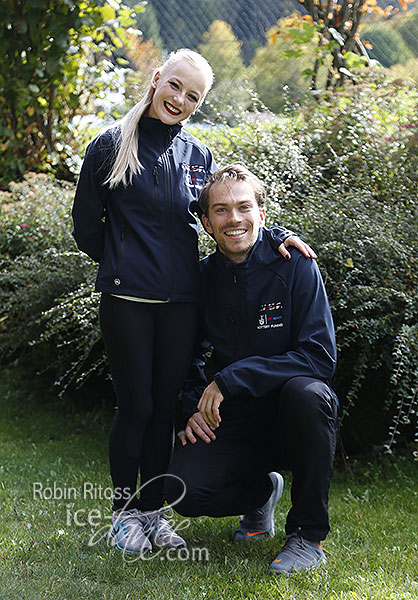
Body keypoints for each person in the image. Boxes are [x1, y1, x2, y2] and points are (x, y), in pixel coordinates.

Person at [72, 49, 315, 556]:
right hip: (127, 300)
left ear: (199, 105)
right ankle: (124, 516)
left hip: (182, 303)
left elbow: (231, 214)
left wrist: (281, 236)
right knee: (135, 406)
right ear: (157, 78)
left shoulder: (199, 157)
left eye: (193, 96)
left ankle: (153, 513)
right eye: (175, 86)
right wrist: (122, 264)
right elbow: (85, 227)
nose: (180, 100)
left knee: (164, 409)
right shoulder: (109, 146)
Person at [166, 164, 339, 574]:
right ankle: (262, 494)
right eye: (221, 210)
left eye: (244, 207)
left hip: (291, 416)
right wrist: (192, 407)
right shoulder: (202, 278)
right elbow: (185, 355)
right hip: (234, 418)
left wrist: (231, 378)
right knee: (184, 493)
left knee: (310, 394)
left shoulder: (296, 264)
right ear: (206, 222)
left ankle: (307, 537)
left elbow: (320, 356)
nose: (234, 219)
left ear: (262, 214)